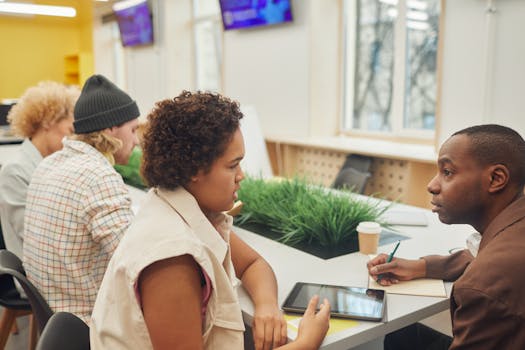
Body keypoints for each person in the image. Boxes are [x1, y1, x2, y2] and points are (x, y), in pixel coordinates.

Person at [90, 91, 330, 350]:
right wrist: (305, 344)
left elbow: (253, 264)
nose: (241, 176)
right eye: (232, 166)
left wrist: (267, 306)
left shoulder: (192, 211)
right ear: (193, 169)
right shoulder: (171, 258)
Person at [367, 124, 525, 349]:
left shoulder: (482, 286)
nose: (431, 185)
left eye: (447, 172)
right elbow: (476, 254)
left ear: (496, 179)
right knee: (402, 335)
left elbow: (488, 273)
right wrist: (420, 267)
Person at [23, 74, 140, 323]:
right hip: (90, 322)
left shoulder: (49, 164)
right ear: (111, 128)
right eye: (133, 129)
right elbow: (136, 261)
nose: (137, 140)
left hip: (54, 319)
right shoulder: (98, 176)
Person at [0, 81, 79, 260]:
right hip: (38, 275)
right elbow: (36, 237)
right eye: (70, 130)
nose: (73, 138)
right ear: (47, 122)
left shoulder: (56, 163)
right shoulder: (15, 171)